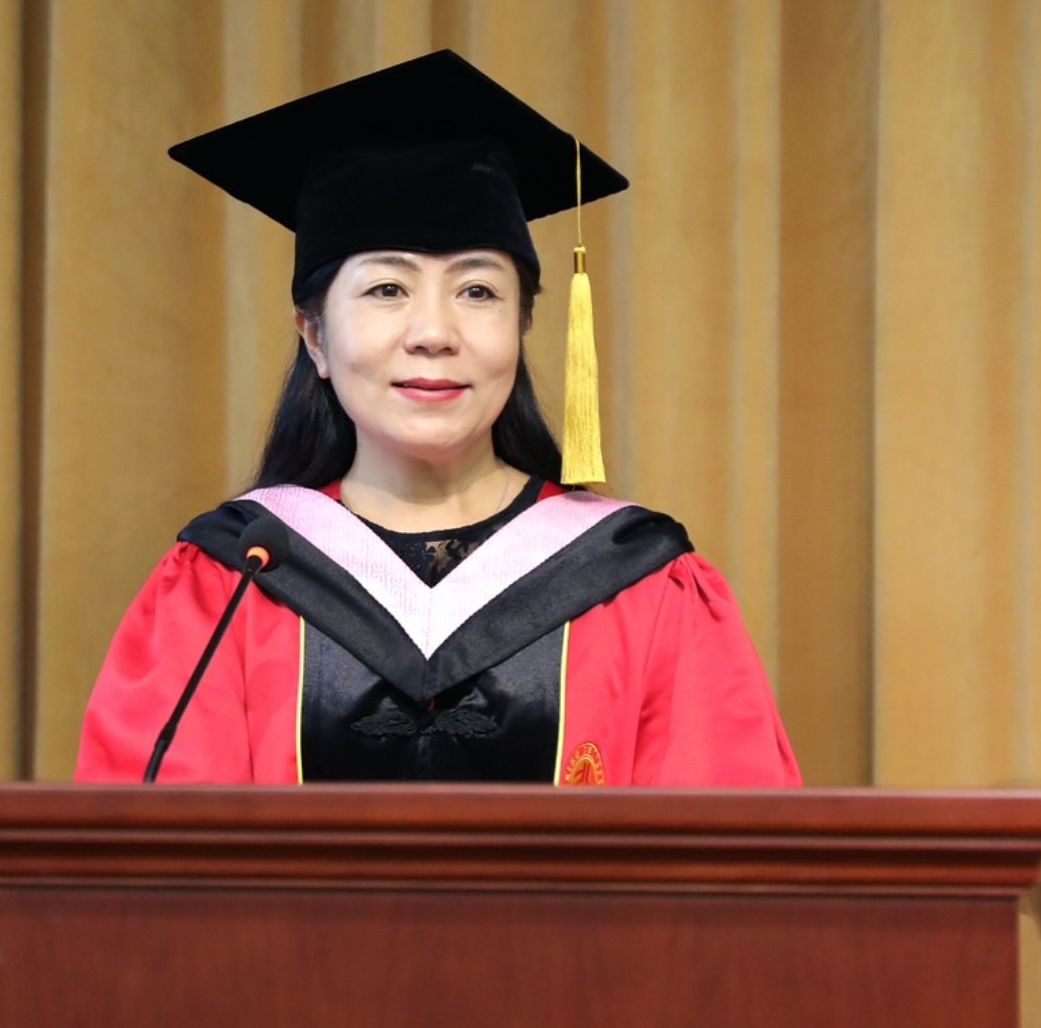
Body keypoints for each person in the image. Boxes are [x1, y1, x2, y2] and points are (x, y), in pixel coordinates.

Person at [75, 51, 800, 786]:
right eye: (387, 289)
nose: (433, 332)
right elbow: (154, 845)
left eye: (477, 292)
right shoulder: (230, 580)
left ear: (522, 324)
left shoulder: (639, 580)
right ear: (314, 336)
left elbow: (724, 843)